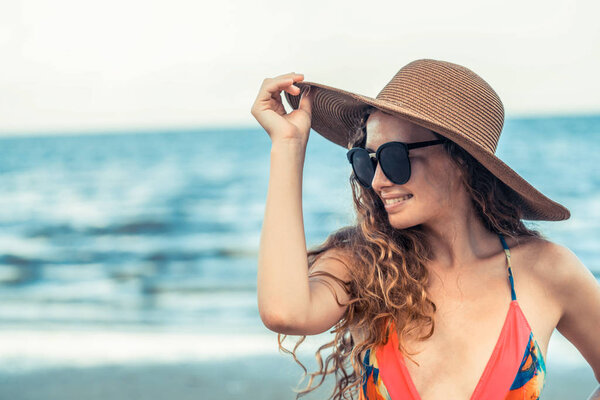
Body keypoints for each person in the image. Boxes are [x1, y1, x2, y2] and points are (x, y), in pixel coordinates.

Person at [250, 59, 600, 400]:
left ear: (462, 159)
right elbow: (285, 312)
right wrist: (288, 146)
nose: (379, 181)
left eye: (394, 157)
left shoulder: (545, 271)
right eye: (366, 161)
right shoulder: (361, 263)